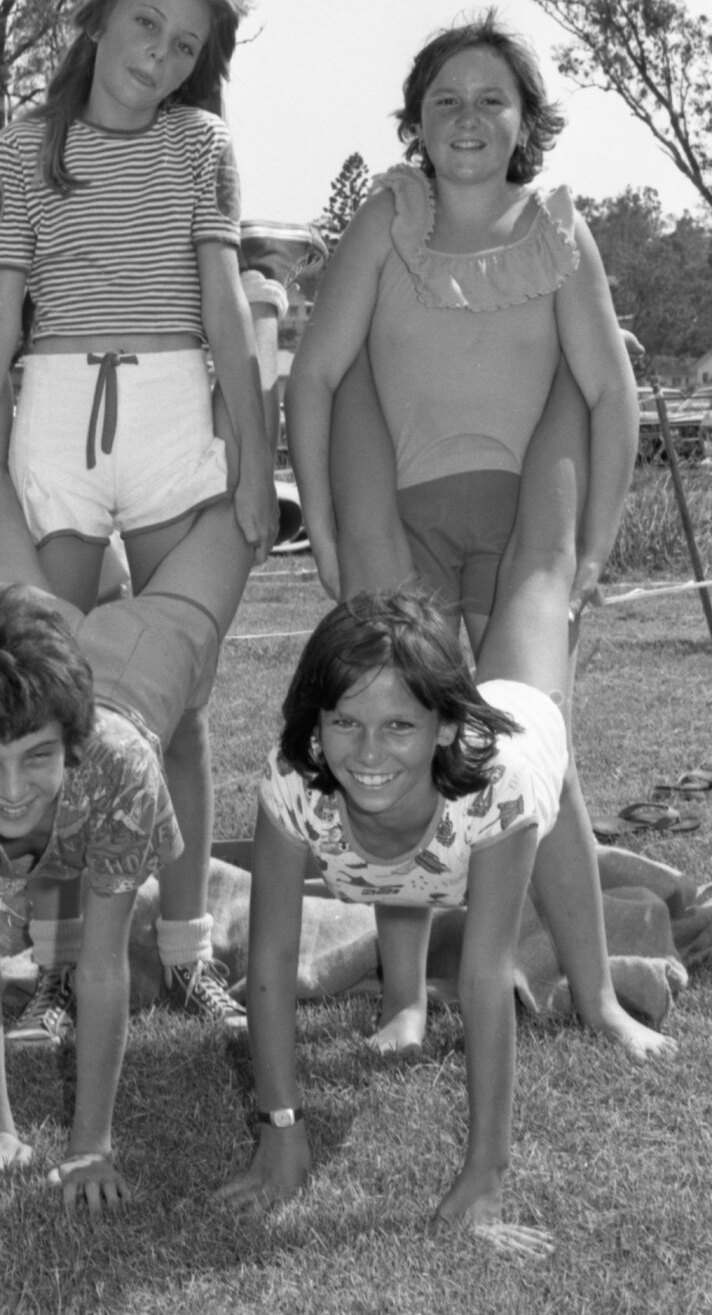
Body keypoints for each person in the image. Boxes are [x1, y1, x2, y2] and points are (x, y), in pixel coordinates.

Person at [284, 11, 673, 1062]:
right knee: (401, 744)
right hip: (396, 515)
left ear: (524, 121)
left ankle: (595, 993)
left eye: (490, 99)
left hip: (524, 535)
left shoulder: (559, 232)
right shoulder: (387, 219)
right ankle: (407, 998)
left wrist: (591, 551)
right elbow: (316, 377)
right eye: (445, 99)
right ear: (415, 121)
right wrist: (324, 532)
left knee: (531, 745)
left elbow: (609, 396)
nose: (467, 117)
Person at [0, 0, 276, 1034]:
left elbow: (225, 308)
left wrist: (254, 455)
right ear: (97, 20)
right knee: (51, 700)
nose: (161, 56)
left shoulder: (199, 144)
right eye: (146, 25)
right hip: (56, 417)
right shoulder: (23, 145)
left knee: (176, 709)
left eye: (185, 46)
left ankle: (185, 951)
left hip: (173, 414)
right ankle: (54, 963)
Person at [218, 366, 585, 1254]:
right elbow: (268, 963)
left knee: (539, 565)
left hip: (525, 713)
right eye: (344, 723)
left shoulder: (494, 793)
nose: (368, 754)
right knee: (373, 544)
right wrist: (281, 1127)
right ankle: (356, 368)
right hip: (444, 773)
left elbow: (488, 979)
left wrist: (485, 1177)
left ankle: (570, 375)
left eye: (397, 727)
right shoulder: (295, 785)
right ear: (315, 724)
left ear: (443, 726)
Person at [0, 483, 258, 1205]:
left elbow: (103, 966)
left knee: (238, 508)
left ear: (71, 744)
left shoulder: (117, 767)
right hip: (45, 641)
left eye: (37, 758)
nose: (12, 790)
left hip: (150, 651)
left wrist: (90, 1150)